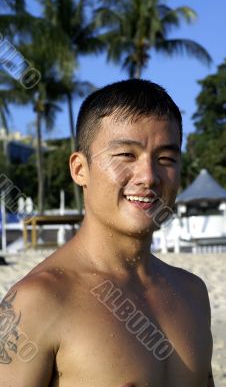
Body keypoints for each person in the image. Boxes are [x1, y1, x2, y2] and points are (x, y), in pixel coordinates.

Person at [0, 79, 215, 386]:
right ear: (79, 169)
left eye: (166, 159)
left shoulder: (192, 293)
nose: (149, 177)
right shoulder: (38, 301)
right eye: (126, 155)